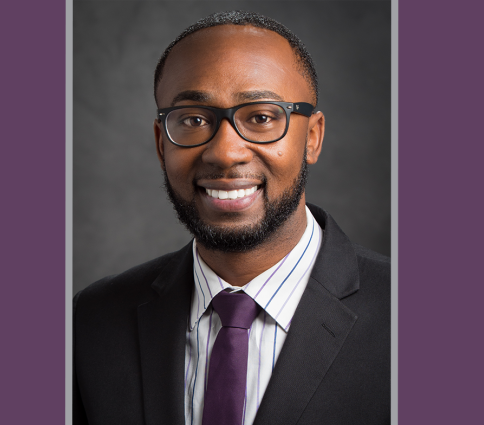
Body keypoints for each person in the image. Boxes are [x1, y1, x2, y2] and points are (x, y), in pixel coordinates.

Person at [73, 10, 390, 425]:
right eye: (193, 119)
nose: (224, 152)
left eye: (261, 117)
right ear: (160, 143)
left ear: (312, 137)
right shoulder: (92, 321)